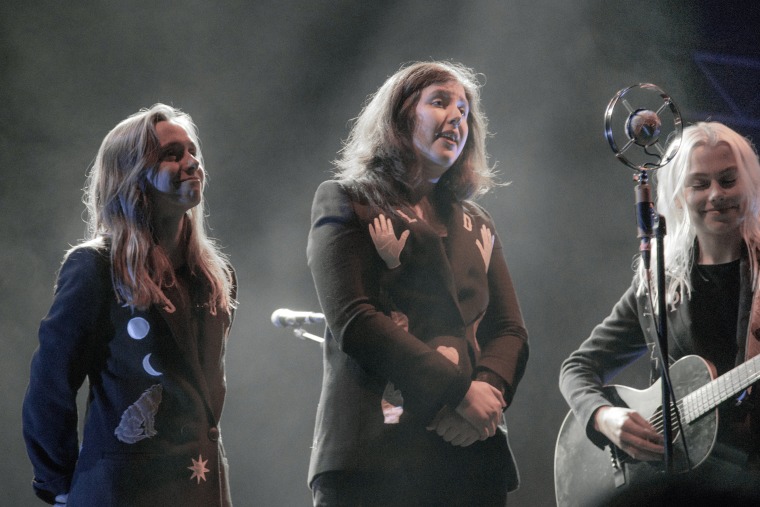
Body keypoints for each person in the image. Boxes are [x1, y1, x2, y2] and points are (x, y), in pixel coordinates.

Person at [306, 61, 529, 506]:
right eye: (440, 102)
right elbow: (355, 320)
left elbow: (509, 330)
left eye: (464, 110)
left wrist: (486, 395)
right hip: (374, 458)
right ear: (399, 116)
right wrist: (458, 392)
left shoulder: (476, 222)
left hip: (469, 456)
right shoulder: (348, 199)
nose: (457, 118)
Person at [22, 104, 237, 506]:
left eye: (193, 152)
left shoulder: (214, 275)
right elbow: (48, 390)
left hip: (201, 491)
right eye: (172, 155)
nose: (191, 164)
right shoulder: (95, 268)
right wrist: (62, 489)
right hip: (123, 493)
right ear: (132, 175)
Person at [559, 122, 760, 500]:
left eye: (728, 180)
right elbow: (578, 368)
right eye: (700, 184)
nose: (716, 195)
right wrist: (605, 417)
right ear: (679, 196)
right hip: (676, 485)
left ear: (748, 183)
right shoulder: (660, 282)